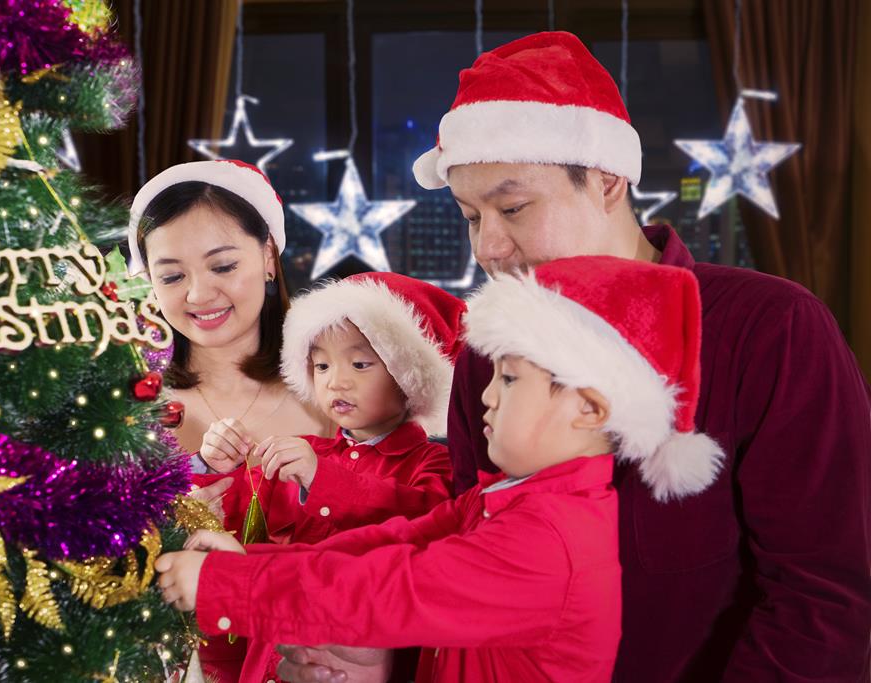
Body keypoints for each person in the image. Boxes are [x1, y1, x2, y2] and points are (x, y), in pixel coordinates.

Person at [279, 31, 871, 682]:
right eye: (472, 216)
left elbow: (824, 599)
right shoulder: (491, 353)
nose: (491, 247)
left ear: (609, 178)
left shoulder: (771, 330)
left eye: (513, 207)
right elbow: (473, 562)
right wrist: (388, 652)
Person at [153, 255, 724, 682]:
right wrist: (248, 561)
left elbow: (394, 588)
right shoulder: (507, 498)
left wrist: (232, 586)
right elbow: (389, 545)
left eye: (509, 379)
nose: (487, 399)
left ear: (591, 408)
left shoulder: (551, 535)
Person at [193, 271, 463, 682]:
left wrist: (325, 481)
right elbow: (229, 528)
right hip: (269, 660)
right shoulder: (300, 452)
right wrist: (213, 465)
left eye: (360, 363)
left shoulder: (433, 466)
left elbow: (422, 522)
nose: (336, 380)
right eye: (321, 365)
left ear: (408, 374)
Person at [127, 159, 333, 678]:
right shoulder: (127, 404)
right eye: (172, 276)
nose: (198, 295)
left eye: (222, 266)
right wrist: (169, 531)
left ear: (268, 255)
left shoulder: (333, 389)